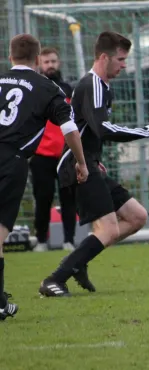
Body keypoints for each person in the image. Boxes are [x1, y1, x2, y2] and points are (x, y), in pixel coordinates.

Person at [38, 31, 149, 297]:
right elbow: (103, 128)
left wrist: (94, 159)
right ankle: (55, 279)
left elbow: (88, 130)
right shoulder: (92, 85)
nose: (124, 65)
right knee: (109, 228)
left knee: (137, 217)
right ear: (103, 57)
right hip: (76, 167)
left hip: (88, 162)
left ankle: (78, 262)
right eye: (120, 59)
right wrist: (148, 130)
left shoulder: (102, 87)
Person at [0, 34, 88, 319]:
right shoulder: (45, 87)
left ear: (9, 56)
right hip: (11, 161)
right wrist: (81, 162)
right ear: (38, 59)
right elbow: (69, 128)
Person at [30, 47, 78, 252]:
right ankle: (41, 240)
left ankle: (69, 240)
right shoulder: (34, 88)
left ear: (59, 63)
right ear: (40, 64)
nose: (50, 65)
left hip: (65, 154)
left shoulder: (67, 89)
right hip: (41, 155)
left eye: (53, 62)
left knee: (69, 199)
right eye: (46, 62)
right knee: (43, 198)